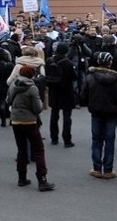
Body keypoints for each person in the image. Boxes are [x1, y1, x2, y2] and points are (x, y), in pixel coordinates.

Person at [80, 51, 117, 179]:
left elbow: (83, 96)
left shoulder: (90, 77)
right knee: (110, 140)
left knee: (96, 140)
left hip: (96, 112)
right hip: (112, 113)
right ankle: (108, 169)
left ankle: (96, 167)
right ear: (110, 63)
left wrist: (89, 103)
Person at [7, 63, 55, 191]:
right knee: (38, 149)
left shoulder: (14, 84)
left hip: (16, 120)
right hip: (29, 120)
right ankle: (42, 179)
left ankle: (21, 178)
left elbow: (8, 100)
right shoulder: (32, 88)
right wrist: (39, 101)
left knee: (21, 149)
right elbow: (37, 108)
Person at [46, 42, 76, 147]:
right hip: (66, 92)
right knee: (67, 117)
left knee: (54, 115)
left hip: (53, 91)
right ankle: (67, 139)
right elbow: (73, 77)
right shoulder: (68, 63)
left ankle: (54, 137)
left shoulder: (49, 61)